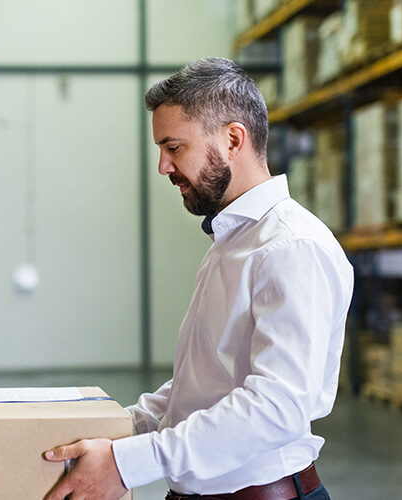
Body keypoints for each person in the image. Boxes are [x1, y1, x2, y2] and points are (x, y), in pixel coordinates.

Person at [42, 57, 354, 500]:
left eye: (174, 147)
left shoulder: (290, 247)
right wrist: (125, 427)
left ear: (232, 139)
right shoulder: (232, 241)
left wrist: (131, 464)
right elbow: (206, 382)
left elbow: (277, 406)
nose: (163, 167)